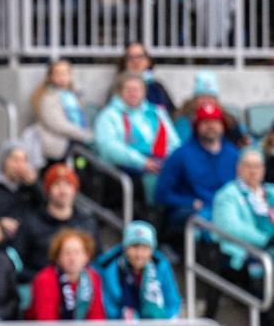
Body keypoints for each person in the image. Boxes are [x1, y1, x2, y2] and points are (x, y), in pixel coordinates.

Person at [210, 148, 274, 326]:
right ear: (239, 169)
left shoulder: (270, 192)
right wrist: (265, 240)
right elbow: (231, 227)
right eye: (248, 166)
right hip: (240, 254)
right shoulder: (227, 195)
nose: (253, 171)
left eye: (257, 167)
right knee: (265, 281)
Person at [154, 101, 238, 247]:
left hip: (226, 210)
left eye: (215, 122)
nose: (211, 126)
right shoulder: (180, 155)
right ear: (196, 126)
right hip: (193, 213)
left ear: (222, 126)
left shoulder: (234, 154)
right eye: (205, 122)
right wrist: (190, 202)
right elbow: (161, 195)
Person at [94, 72, 179, 202]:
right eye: (128, 89)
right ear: (119, 92)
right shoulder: (109, 115)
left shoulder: (157, 112)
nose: (133, 93)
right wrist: (142, 162)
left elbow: (174, 143)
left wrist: (165, 163)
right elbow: (109, 147)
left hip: (160, 165)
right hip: (125, 171)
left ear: (144, 92)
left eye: (137, 89)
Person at [15, 163, 100, 284]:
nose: (63, 190)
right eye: (57, 184)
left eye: (68, 184)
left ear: (75, 190)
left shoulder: (87, 222)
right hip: (38, 285)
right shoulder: (31, 222)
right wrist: (41, 279)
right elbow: (16, 260)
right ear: (48, 190)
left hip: (80, 287)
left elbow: (97, 259)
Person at [32, 58, 92, 163]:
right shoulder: (48, 97)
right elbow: (57, 124)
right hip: (58, 145)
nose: (62, 77)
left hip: (75, 140)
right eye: (58, 74)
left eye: (65, 73)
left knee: (83, 164)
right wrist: (82, 133)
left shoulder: (74, 96)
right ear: (50, 77)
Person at [174, 70, 247, 146]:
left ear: (216, 100)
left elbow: (244, 136)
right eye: (202, 97)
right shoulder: (184, 119)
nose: (206, 101)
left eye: (210, 97)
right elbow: (182, 144)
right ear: (195, 100)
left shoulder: (228, 119)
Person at [117, 42, 175, 114]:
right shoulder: (117, 86)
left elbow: (169, 112)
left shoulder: (157, 87)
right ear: (124, 63)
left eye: (140, 57)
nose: (135, 61)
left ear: (148, 61)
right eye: (130, 57)